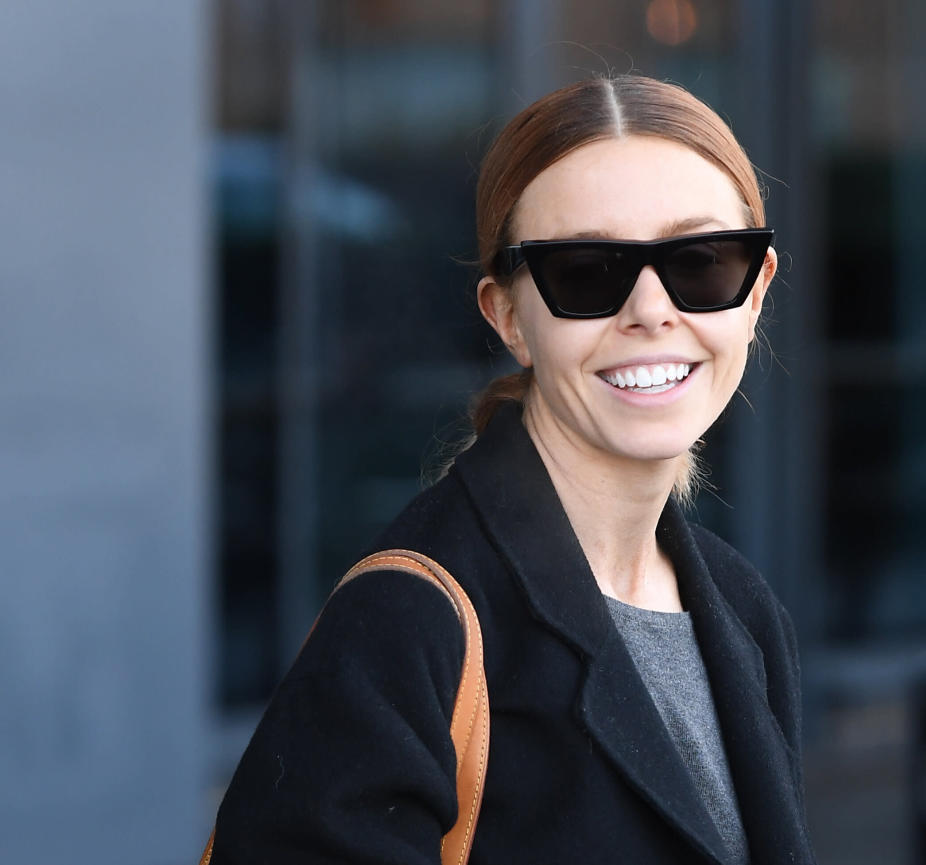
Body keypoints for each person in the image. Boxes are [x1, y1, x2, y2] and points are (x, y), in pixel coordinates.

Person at [211, 74, 816, 865]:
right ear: (507, 317)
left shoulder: (745, 612)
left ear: (757, 291)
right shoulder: (410, 620)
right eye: (586, 272)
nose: (651, 309)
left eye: (701, 261)